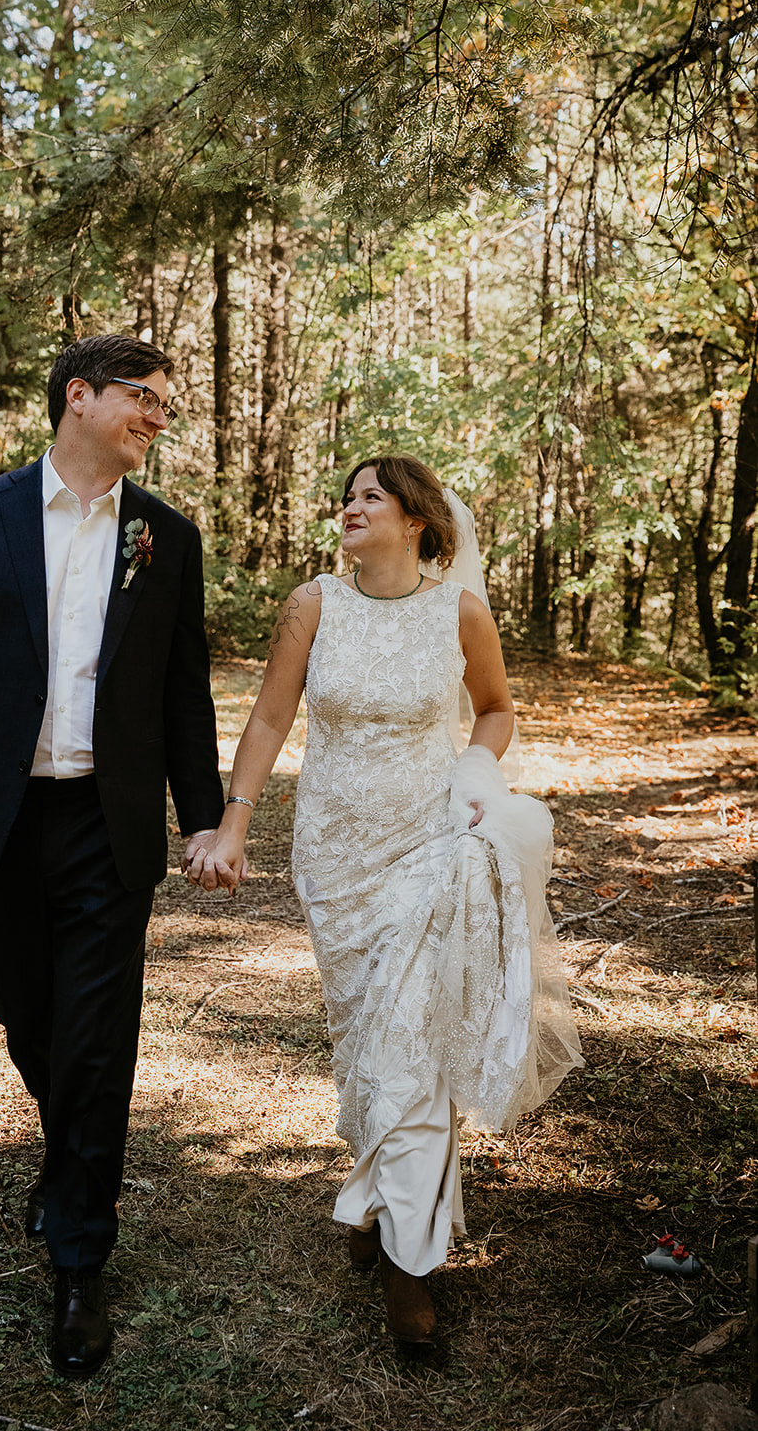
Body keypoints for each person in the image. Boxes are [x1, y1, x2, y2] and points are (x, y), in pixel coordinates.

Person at [0, 335, 224, 1379]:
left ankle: (80, 1257)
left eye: (166, 404)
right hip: (0, 817)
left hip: (106, 821)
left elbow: (181, 691)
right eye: (143, 399)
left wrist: (204, 817)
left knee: (95, 1034)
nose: (158, 417)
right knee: (28, 1013)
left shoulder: (166, 536)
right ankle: (66, 1152)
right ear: (79, 397)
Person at [187, 454, 582, 1346]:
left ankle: (411, 1267)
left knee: (417, 1041)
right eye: (347, 495)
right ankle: (371, 1194)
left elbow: (493, 709)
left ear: (416, 521)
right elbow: (268, 719)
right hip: (333, 858)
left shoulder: (459, 610)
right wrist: (234, 823)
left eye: (372, 496)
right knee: (366, 1031)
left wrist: (478, 770)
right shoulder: (313, 604)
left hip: (426, 847)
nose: (351, 506)